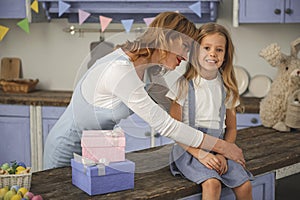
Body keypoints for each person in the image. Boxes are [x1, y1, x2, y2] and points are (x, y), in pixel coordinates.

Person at [43, 12, 246, 169]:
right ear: (167, 38)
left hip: (99, 150)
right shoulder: (120, 71)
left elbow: (175, 113)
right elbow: (166, 125)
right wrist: (223, 147)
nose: (186, 56)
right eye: (185, 46)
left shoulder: (151, 72)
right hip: (67, 149)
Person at [166, 23, 253, 200]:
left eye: (219, 49)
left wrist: (222, 153)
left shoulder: (227, 87)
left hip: (219, 147)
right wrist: (199, 153)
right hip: (189, 151)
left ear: (225, 55)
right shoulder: (183, 85)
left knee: (245, 185)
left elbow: (231, 128)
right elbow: (175, 129)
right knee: (212, 183)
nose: (213, 53)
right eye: (206, 48)